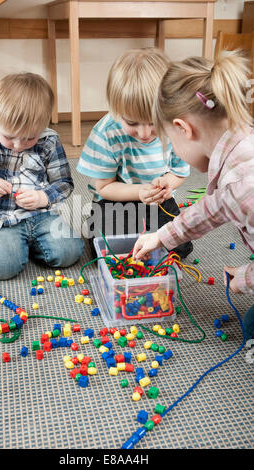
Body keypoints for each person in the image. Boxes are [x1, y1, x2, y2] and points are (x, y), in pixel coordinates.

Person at [133, 51, 254, 340]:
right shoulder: (242, 146)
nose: (175, 152)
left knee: (250, 327)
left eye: (171, 143)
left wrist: (246, 279)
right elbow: (211, 210)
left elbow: (226, 201)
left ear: (183, 129)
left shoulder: (243, 186)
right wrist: (161, 237)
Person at [0, 72, 84, 280]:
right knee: (2, 267)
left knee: (70, 252)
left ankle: (23, 244)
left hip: (40, 215)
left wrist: (44, 197)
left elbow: (64, 183)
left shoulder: (49, 141)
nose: (18, 145)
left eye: (29, 138)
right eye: (9, 137)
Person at [77, 48, 193, 259]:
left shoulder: (174, 126)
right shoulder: (106, 132)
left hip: (159, 201)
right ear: (115, 109)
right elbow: (104, 187)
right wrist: (140, 192)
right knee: (106, 251)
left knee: (179, 249)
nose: (145, 133)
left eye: (153, 122)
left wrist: (167, 184)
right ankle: (97, 224)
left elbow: (180, 172)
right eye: (132, 123)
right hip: (115, 202)